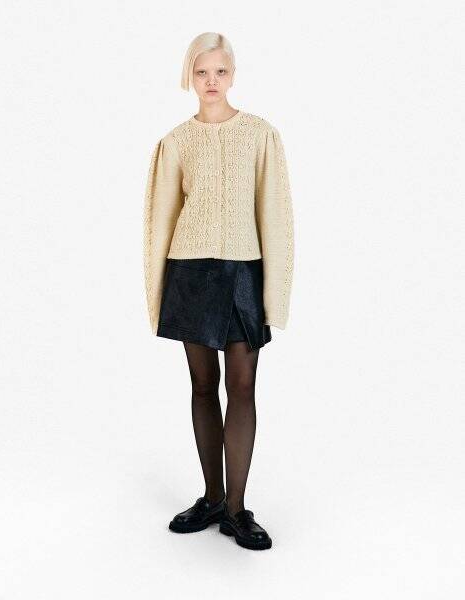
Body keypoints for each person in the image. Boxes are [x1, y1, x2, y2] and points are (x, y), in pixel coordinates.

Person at [143, 32, 295, 550]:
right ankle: (211, 498)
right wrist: (156, 294)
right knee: (203, 386)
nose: (211, 81)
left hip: (243, 273)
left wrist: (275, 294)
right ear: (190, 75)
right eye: (202, 71)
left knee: (243, 386)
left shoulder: (260, 135)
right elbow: (159, 222)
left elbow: (275, 216)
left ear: (233, 74)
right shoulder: (175, 142)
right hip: (190, 273)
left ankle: (236, 508)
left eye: (220, 71)